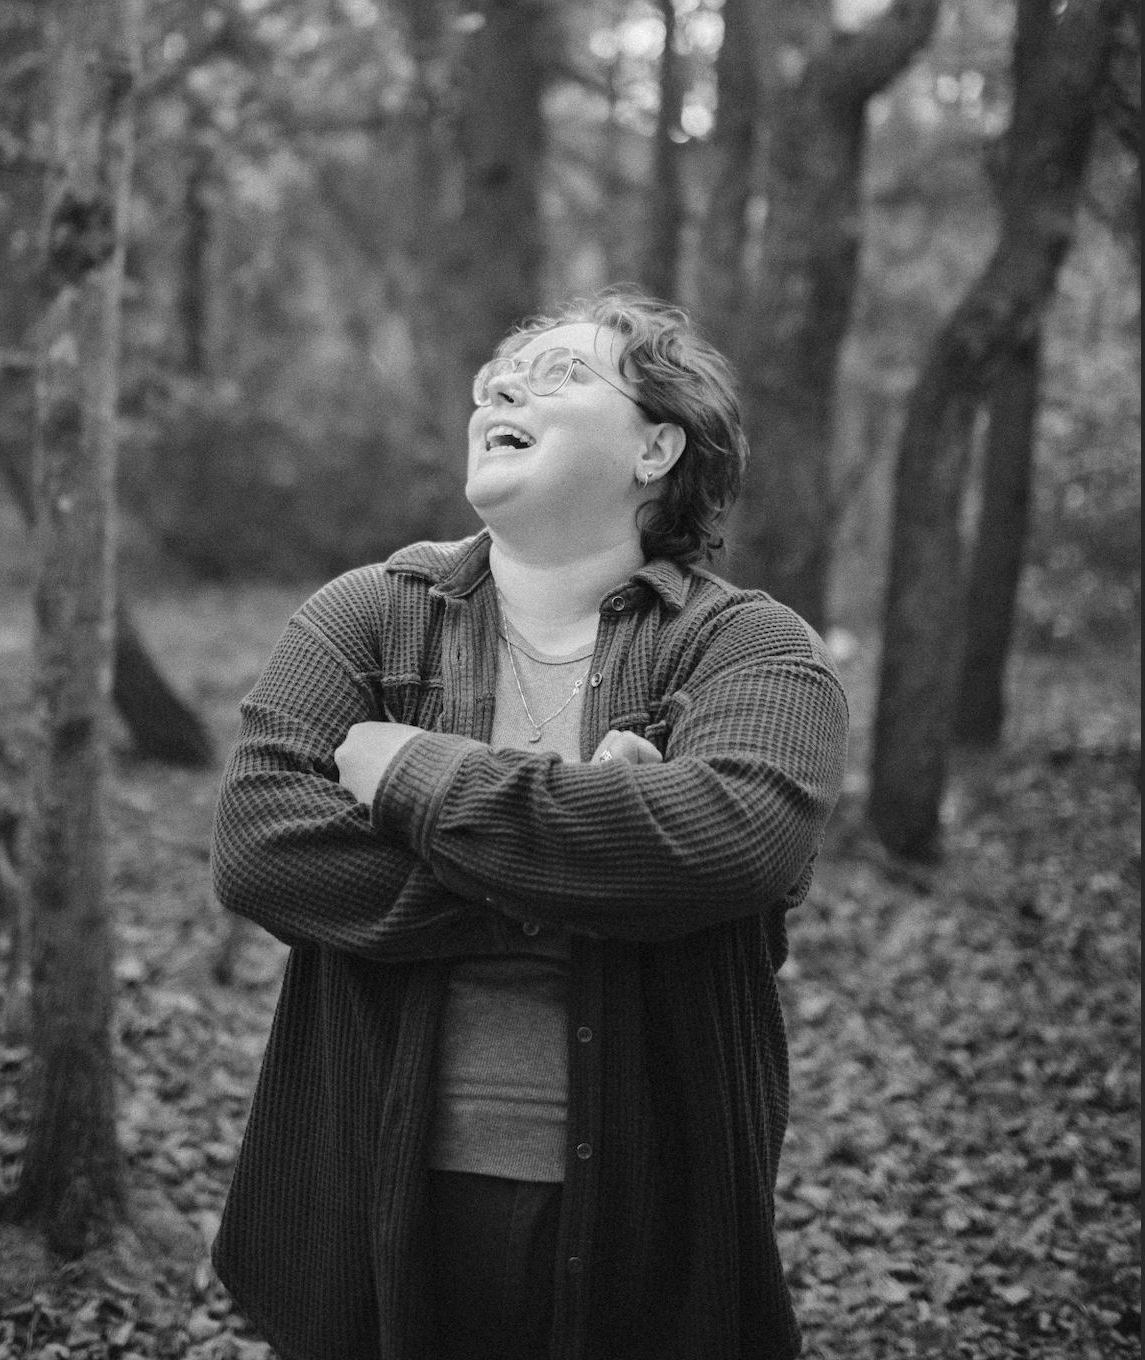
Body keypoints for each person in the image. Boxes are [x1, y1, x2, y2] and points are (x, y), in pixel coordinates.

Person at [210, 291, 849, 1360]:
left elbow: (733, 841)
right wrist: (598, 859)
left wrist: (411, 772)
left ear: (655, 445)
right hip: (363, 1193)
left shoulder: (749, 648)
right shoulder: (365, 614)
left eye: (557, 372)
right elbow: (261, 847)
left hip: (649, 1220)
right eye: (498, 376)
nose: (501, 386)